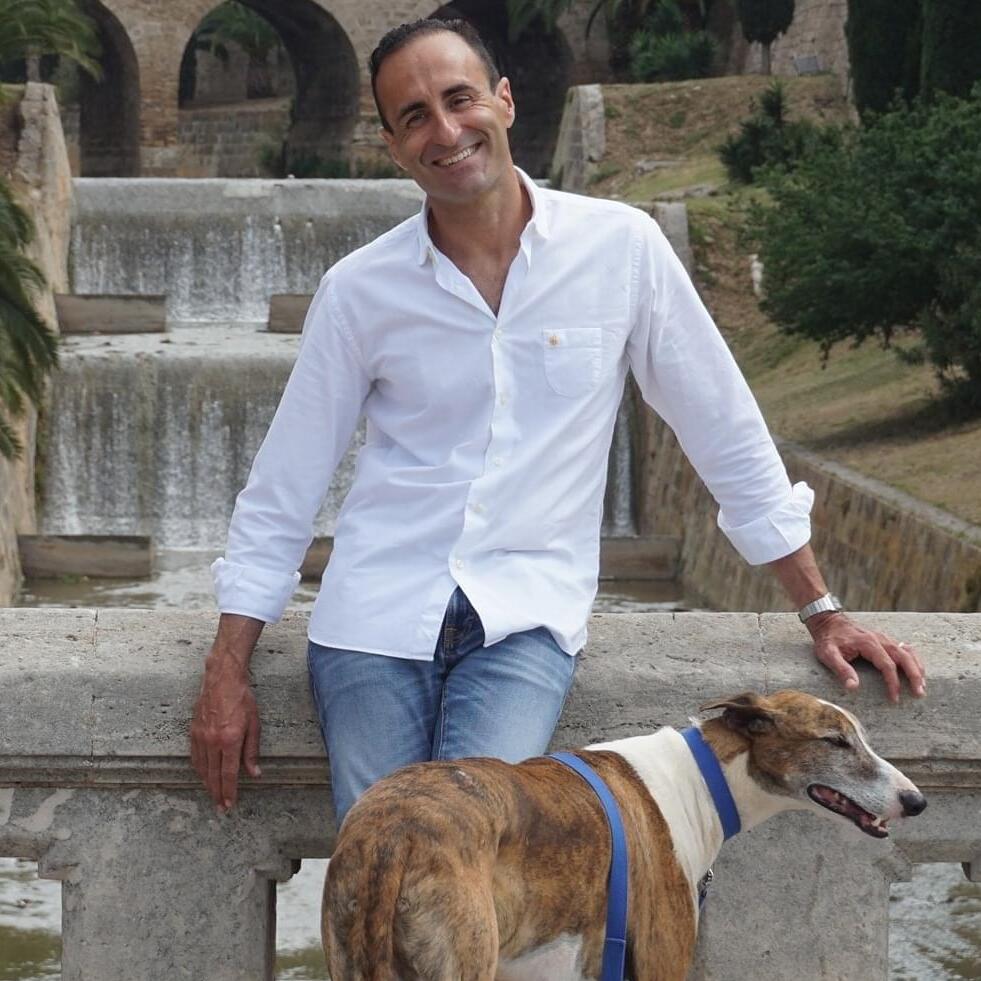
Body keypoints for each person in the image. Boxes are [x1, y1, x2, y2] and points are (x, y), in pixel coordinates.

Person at [190, 18, 926, 820]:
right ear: (393, 146)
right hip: (372, 620)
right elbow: (284, 487)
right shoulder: (359, 289)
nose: (445, 131)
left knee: (482, 843)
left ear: (503, 101)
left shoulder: (620, 249)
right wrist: (227, 669)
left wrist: (820, 610)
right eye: (414, 117)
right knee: (378, 851)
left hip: (524, 617)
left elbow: (723, 429)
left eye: (459, 99)